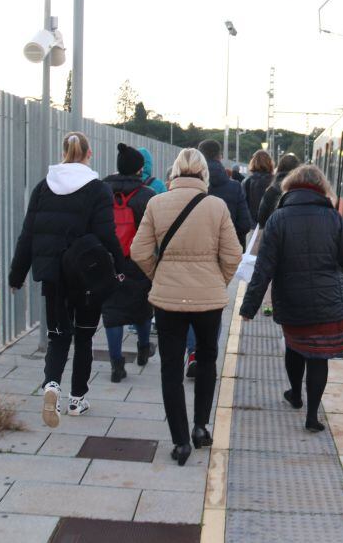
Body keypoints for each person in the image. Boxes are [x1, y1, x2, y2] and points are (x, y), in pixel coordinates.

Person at [131, 148, 242, 465]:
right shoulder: (216, 206)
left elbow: (138, 251)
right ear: (205, 173)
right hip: (209, 301)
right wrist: (216, 280)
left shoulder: (157, 202)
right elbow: (233, 255)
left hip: (167, 300)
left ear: (174, 172)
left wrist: (159, 275)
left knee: (170, 369)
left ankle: (180, 443)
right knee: (206, 361)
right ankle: (200, 427)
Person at [9, 132, 124, 428]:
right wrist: (120, 266)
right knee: (84, 337)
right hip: (86, 276)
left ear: (64, 152)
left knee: (58, 336)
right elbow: (106, 233)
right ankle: (77, 400)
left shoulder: (42, 187)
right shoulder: (98, 189)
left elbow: (28, 234)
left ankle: (51, 386)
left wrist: (16, 274)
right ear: (89, 154)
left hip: (54, 276)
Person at [240, 165, 343, 432]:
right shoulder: (333, 217)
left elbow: (264, 268)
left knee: (296, 347)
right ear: (322, 188)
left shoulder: (278, 218)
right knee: (319, 357)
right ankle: (312, 416)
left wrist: (249, 307)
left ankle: (295, 394)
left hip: (292, 298)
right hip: (329, 301)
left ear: (290, 188)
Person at [182, 140, 252, 377]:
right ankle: (206, 353)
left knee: (190, 304)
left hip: (188, 253)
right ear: (220, 157)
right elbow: (245, 223)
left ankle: (193, 353)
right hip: (220, 257)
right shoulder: (233, 188)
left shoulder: (184, 185)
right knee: (214, 305)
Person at [103, 143, 157, 383]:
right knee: (142, 308)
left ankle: (116, 364)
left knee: (111, 311)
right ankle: (143, 348)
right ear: (139, 169)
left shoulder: (102, 190)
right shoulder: (147, 196)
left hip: (108, 259)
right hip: (139, 260)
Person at [256, 153, 300, 228]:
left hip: (274, 235)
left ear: (279, 168)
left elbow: (261, 219)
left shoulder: (271, 190)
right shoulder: (303, 191)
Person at [241, 150, 274, 225]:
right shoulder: (275, 181)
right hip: (272, 226)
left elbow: (243, 207)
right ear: (270, 162)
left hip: (252, 226)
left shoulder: (246, 182)